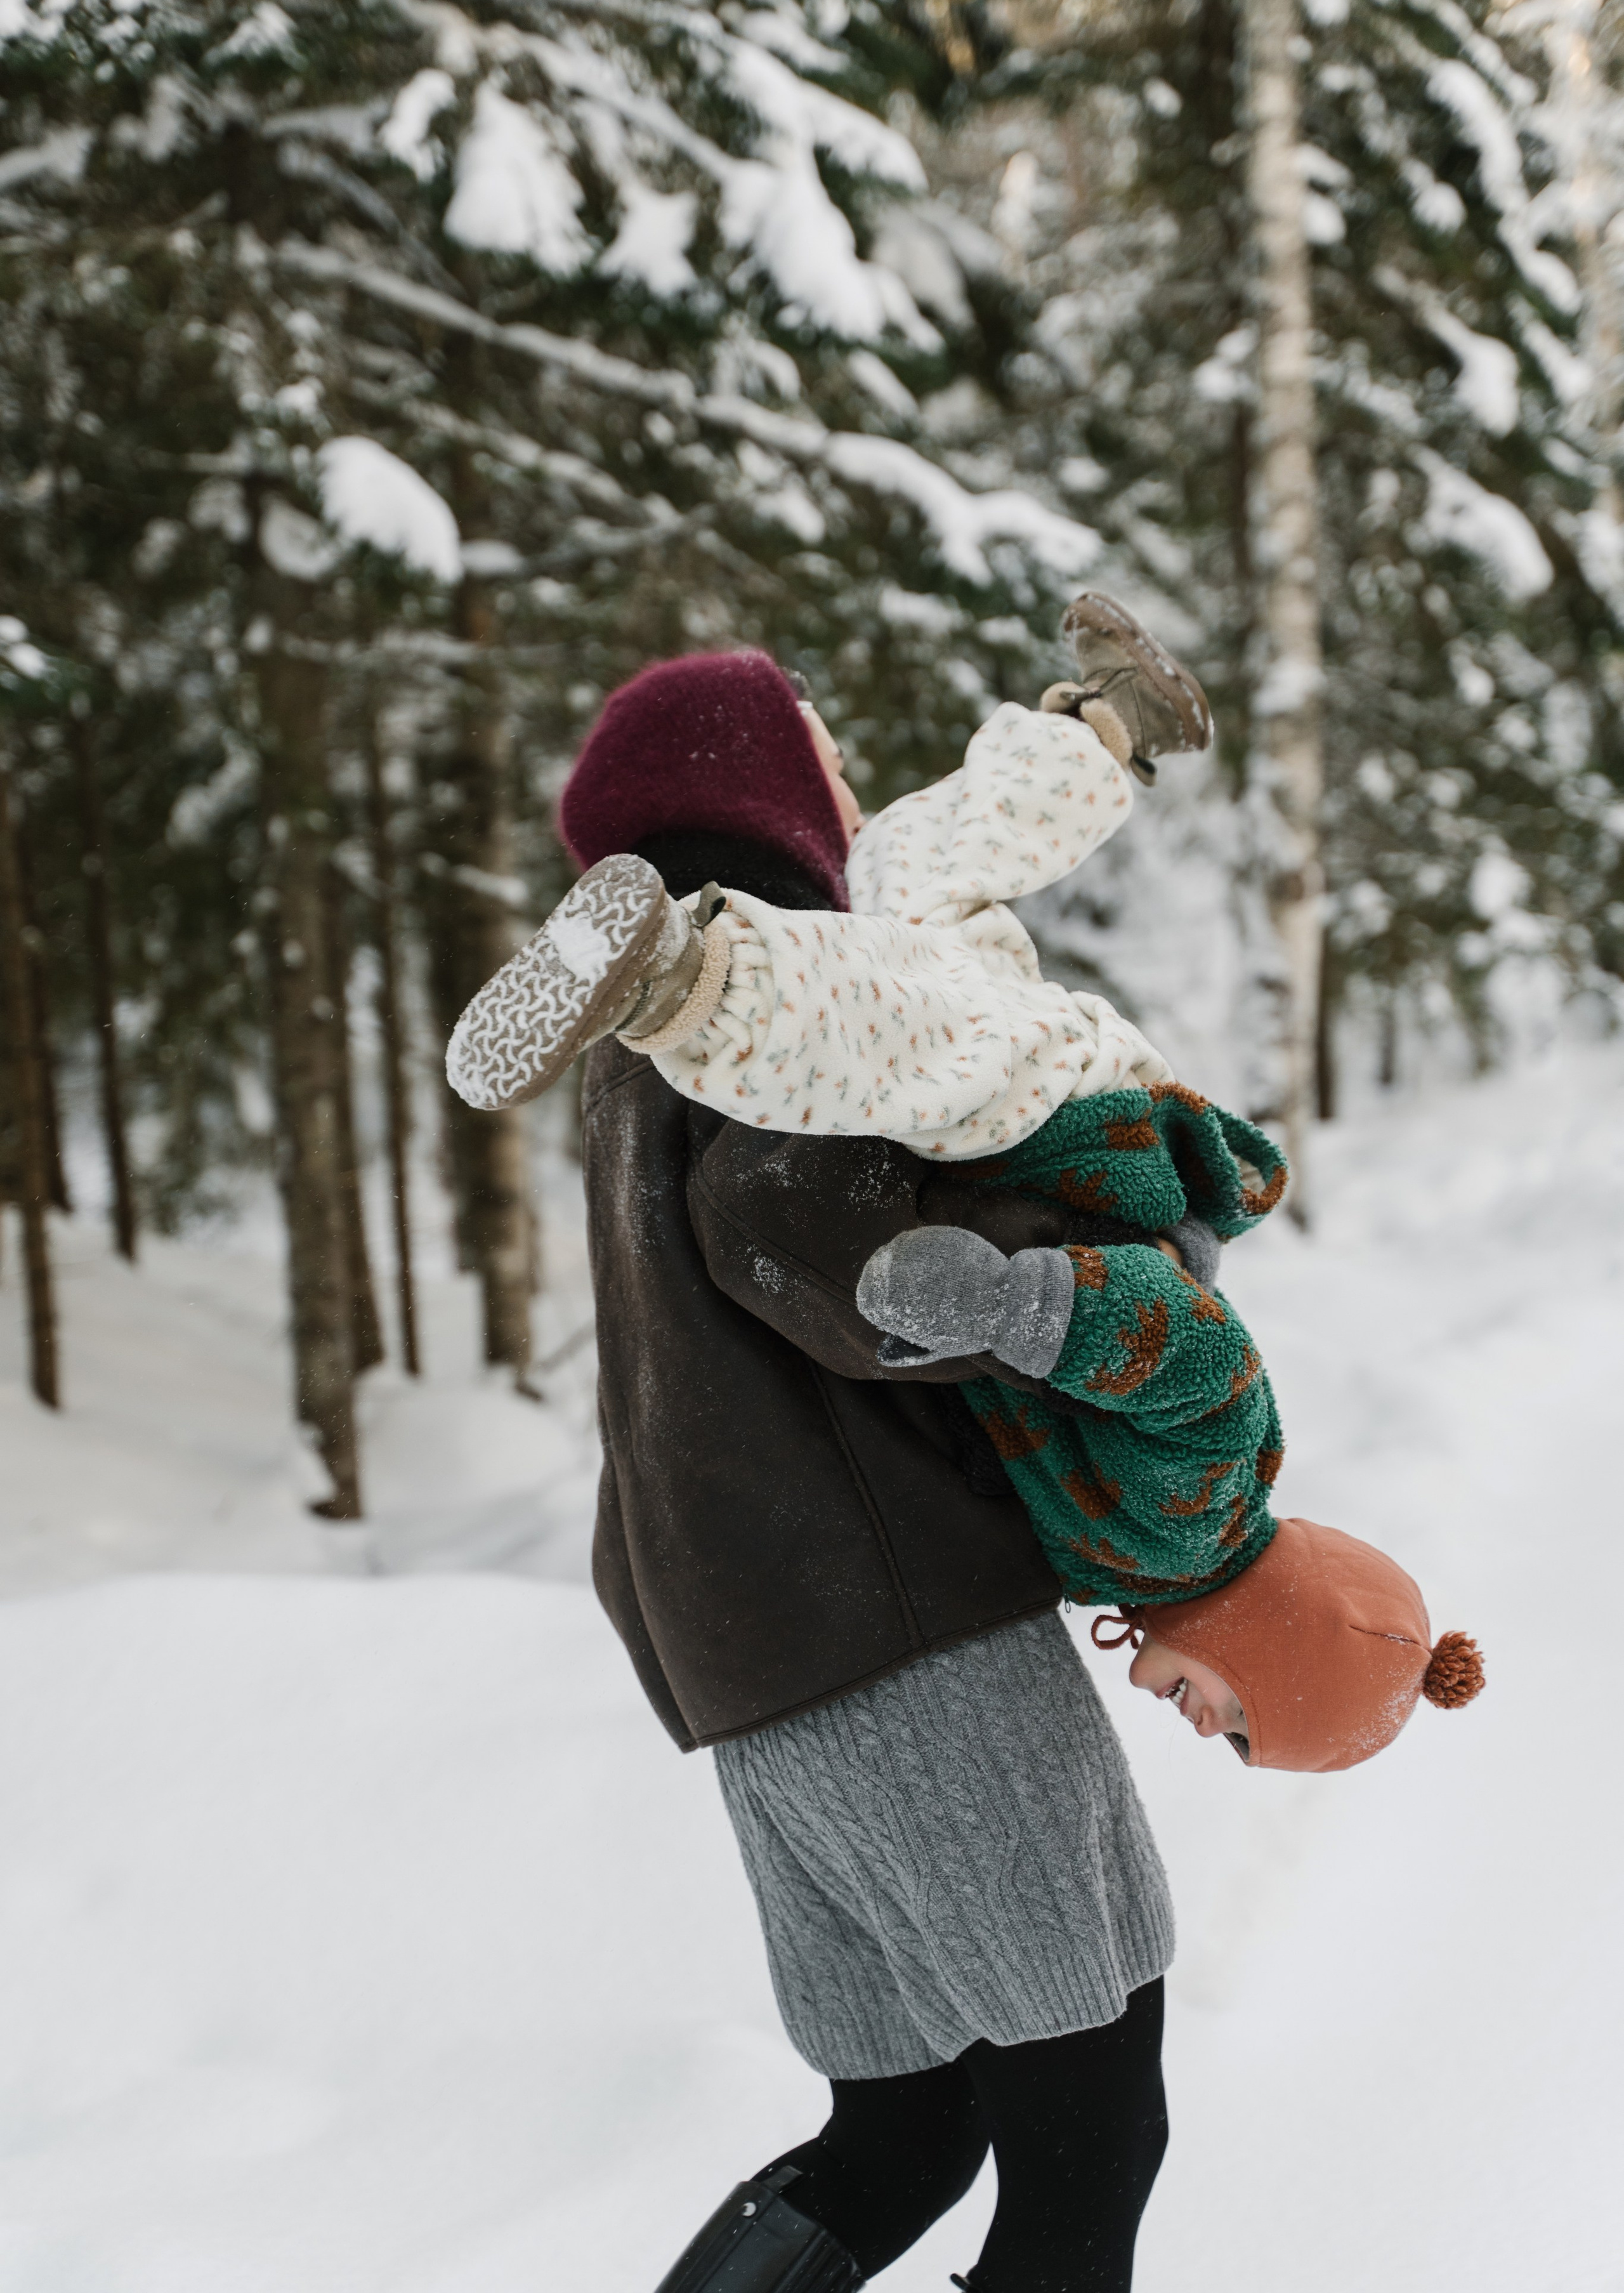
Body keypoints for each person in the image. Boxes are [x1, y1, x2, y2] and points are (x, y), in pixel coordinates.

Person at [451, 612, 1484, 1784]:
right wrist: (1017, 1310)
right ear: (1276, 1636)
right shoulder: (1197, 1517)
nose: (1212, 1731)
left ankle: (1104, 733)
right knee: (907, 1041)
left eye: (1237, 1748)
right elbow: (1190, 1351)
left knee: (911, 873)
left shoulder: (1138, 1569)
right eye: (1247, 1718)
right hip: (1072, 1130)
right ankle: (688, 980)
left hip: (1069, 1120)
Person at [539, 644, 1183, 2293]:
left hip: (755, 1654)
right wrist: (1107, 1271)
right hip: (899, 1639)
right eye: (815, 750)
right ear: (755, 790)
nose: (840, 779)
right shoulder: (784, 1015)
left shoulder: (637, 1042)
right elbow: (833, 1267)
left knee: (904, 2129)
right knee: (1091, 2128)